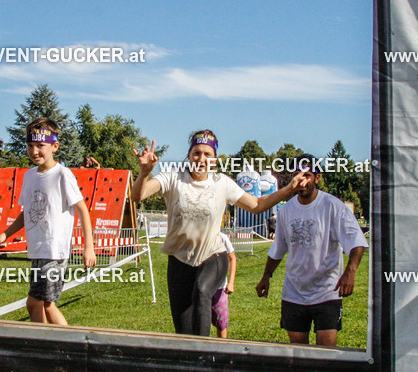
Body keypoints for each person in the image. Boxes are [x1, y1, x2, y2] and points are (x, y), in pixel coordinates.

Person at [132, 130, 304, 336]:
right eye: (197, 153)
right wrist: (144, 172)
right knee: (184, 332)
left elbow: (258, 205)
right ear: (189, 155)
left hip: (213, 256)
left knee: (202, 291)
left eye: (207, 154)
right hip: (179, 261)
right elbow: (138, 196)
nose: (201, 159)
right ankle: (193, 362)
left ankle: (205, 356)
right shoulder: (172, 178)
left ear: (215, 159)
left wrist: (289, 189)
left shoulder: (222, 183)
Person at [0, 118, 96, 326]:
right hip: (38, 251)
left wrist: (88, 247)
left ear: (55, 146)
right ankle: (58, 345)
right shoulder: (29, 176)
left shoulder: (63, 175)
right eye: (30, 146)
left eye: (40, 146)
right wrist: (5, 234)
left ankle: (51, 346)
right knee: (45, 304)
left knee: (36, 304)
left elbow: (83, 210)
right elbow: (26, 213)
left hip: (55, 252)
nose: (34, 151)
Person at [256, 154, 367, 347]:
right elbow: (279, 247)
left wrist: (350, 271)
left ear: (317, 178)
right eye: (297, 175)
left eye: (307, 175)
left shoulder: (333, 206)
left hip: (327, 292)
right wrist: (266, 275)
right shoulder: (286, 210)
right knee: (299, 353)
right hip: (294, 292)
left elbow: (356, 241)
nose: (301, 181)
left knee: (326, 352)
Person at [211, 233, 237, 339]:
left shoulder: (222, 237)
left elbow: (232, 258)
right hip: (200, 288)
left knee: (221, 323)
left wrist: (231, 282)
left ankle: (222, 349)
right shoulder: (199, 235)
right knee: (200, 323)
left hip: (219, 288)